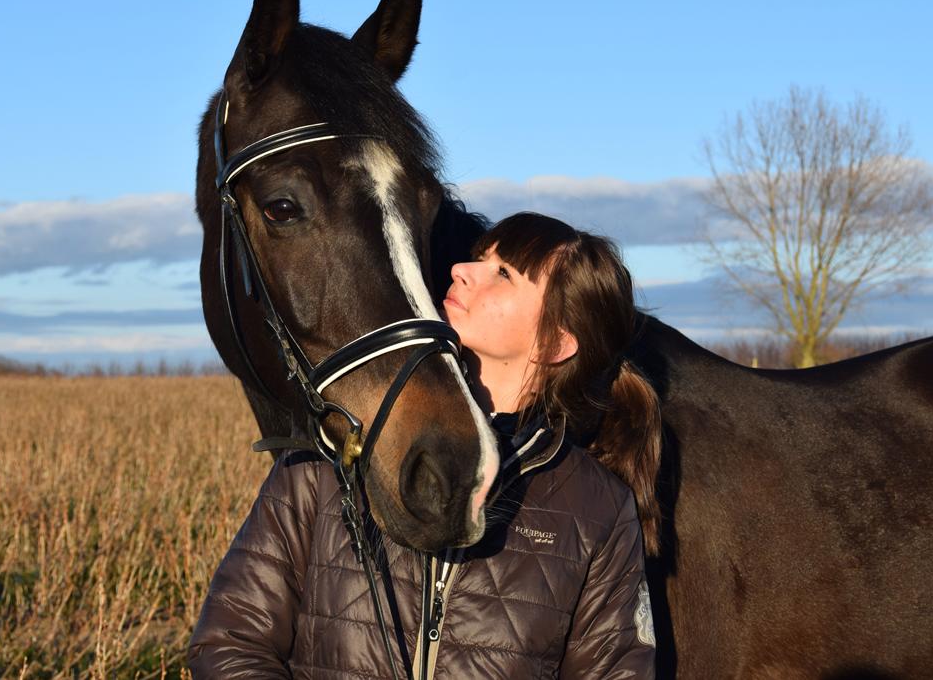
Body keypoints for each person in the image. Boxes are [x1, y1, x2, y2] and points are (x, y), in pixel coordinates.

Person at [189, 212, 660, 679]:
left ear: (555, 344)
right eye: (480, 257)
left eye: (503, 273)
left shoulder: (597, 508)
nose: (462, 269)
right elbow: (230, 643)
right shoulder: (333, 451)